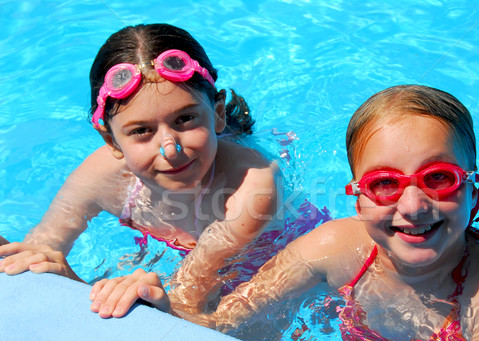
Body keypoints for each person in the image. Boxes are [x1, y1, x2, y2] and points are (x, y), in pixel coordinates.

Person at [77, 85, 479, 341]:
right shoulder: (335, 248)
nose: (414, 205)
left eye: (439, 179)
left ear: (473, 190)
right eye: (384, 184)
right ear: (357, 198)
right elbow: (221, 329)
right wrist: (162, 308)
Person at [0, 23, 280, 315]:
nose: (169, 149)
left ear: (218, 114)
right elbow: (41, 248)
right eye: (141, 131)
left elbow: (191, 309)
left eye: (185, 119)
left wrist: (74, 282)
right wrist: (39, 265)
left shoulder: (251, 186)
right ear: (111, 140)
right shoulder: (103, 175)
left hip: (259, 269)